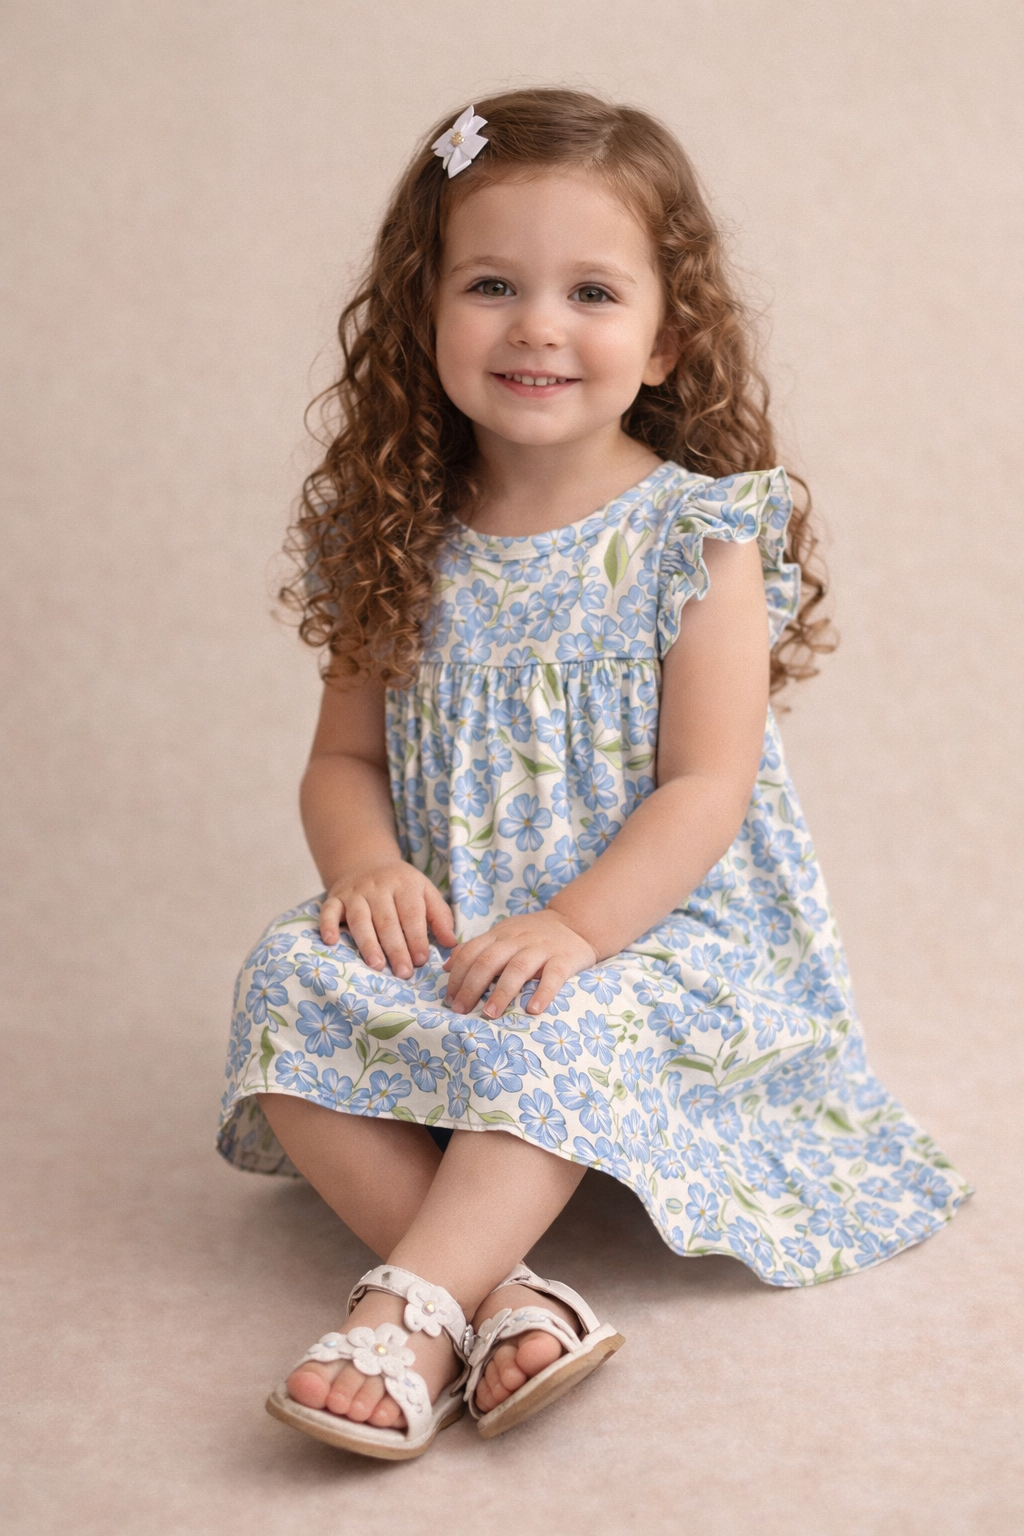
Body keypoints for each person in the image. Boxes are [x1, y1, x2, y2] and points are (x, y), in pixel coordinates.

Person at [218, 88, 970, 1460]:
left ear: (669, 332)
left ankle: (405, 1314)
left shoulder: (700, 534)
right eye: (493, 283)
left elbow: (706, 788)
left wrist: (575, 930)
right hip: (462, 933)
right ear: (423, 309)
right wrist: (369, 868)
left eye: (592, 291)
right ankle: (505, 1301)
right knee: (280, 980)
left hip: (651, 933)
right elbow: (340, 758)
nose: (538, 326)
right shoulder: (400, 532)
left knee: (574, 1020)